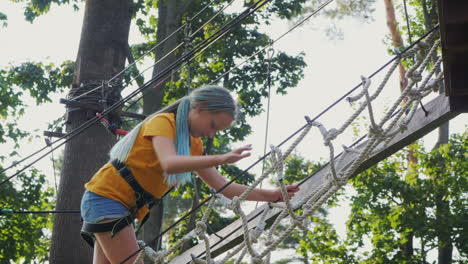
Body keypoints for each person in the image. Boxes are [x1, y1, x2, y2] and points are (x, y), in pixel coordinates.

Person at [80, 85, 300, 264]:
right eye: (213, 125)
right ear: (200, 108)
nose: (211, 133)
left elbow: (223, 186)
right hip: (106, 198)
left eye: (217, 131)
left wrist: (272, 195)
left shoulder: (194, 146)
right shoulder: (163, 123)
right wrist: (220, 158)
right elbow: (169, 163)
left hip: (116, 205)